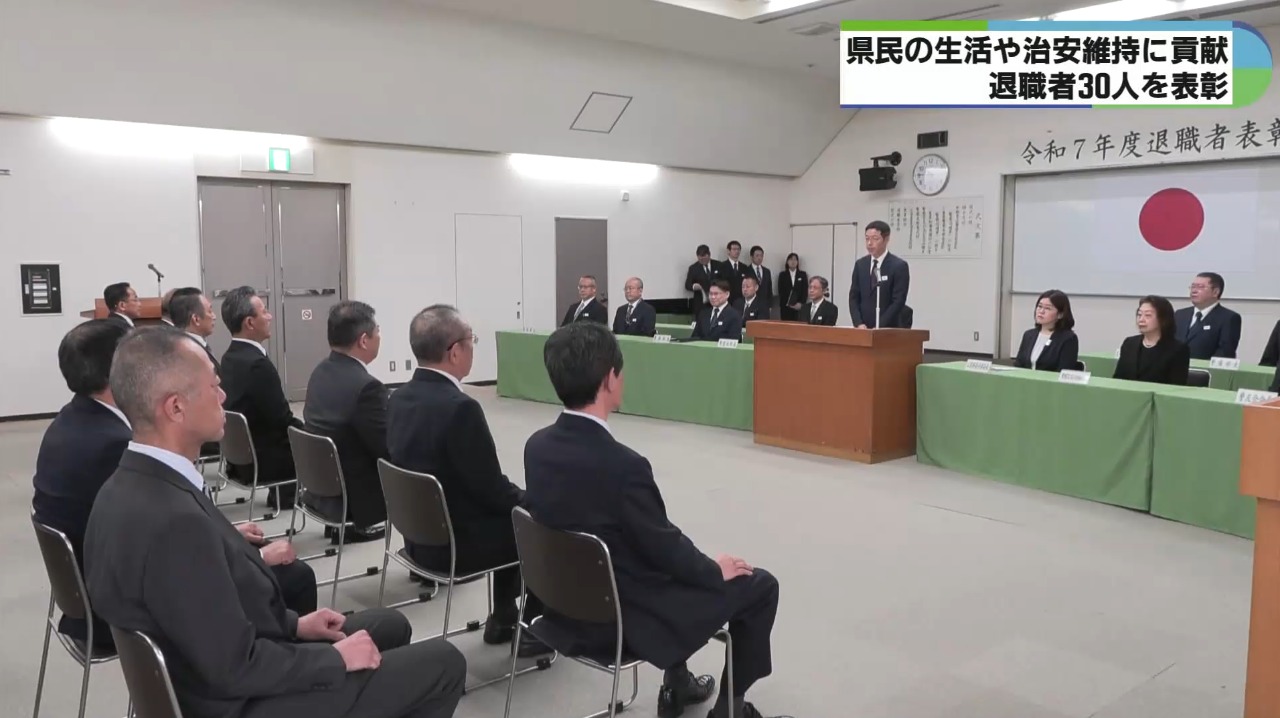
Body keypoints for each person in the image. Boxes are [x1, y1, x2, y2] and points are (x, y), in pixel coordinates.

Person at [84, 327, 465, 718]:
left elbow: (202, 617)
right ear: (176, 408)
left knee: (389, 625)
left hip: (213, 673)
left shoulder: (122, 487)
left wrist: (295, 625)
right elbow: (233, 667)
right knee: (443, 664)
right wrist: (333, 660)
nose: (223, 396)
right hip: (239, 702)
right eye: (213, 386)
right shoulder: (175, 524)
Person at [524, 322, 787, 718]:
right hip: (620, 619)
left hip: (563, 603)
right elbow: (665, 548)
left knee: (648, 560)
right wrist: (713, 569)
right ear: (610, 379)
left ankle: (678, 682)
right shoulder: (623, 466)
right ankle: (729, 710)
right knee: (759, 584)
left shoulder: (536, 447)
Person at [386, 305, 547, 655]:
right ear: (455, 352)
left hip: (417, 535)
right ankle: (533, 627)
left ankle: (504, 615)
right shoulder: (460, 408)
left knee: (510, 515)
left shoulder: (397, 398)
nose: (474, 347)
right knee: (532, 521)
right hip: (455, 544)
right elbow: (492, 489)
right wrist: (534, 502)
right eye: (472, 340)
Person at [31, 319, 131, 652]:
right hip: (111, 616)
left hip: (78, 598)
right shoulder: (114, 444)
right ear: (120, 370)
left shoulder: (67, 420)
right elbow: (151, 539)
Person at [302, 301, 390, 542]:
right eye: (378, 331)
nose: (380, 336)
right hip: (354, 495)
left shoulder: (320, 371)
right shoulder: (367, 387)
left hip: (320, 486)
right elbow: (386, 447)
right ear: (363, 341)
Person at [220, 285, 301, 508]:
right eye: (264, 311)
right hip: (262, 460)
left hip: (238, 457)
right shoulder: (257, 365)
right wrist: (313, 432)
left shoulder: (229, 357)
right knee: (322, 441)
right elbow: (282, 419)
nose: (270, 316)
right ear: (250, 322)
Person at [170, 288, 222, 459]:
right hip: (203, 435)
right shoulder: (192, 354)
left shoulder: (176, 345)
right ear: (196, 319)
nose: (214, 316)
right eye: (210, 311)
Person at [1114, 295, 1191, 386]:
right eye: (1139, 315)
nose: (1141, 320)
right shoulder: (1129, 343)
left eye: (1148, 315)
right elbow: (1118, 379)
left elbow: (1176, 386)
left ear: (1163, 319)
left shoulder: (1178, 349)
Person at [848, 221, 910, 329]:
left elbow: (898, 301)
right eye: (867, 238)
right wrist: (858, 323)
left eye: (875, 239)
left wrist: (879, 325)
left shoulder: (898, 266)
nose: (869, 243)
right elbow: (854, 297)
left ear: (886, 239)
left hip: (887, 328)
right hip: (863, 328)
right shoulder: (860, 264)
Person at [1174, 272, 1242, 359]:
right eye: (1193, 287)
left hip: (1204, 367)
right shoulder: (1180, 314)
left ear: (1215, 292)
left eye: (1200, 287)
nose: (1194, 291)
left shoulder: (1229, 318)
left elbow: (1225, 352)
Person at [1014, 289, 1080, 372]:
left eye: (1048, 308)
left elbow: (1064, 371)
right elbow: (1018, 365)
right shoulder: (1029, 335)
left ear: (1060, 314)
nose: (1041, 311)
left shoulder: (1068, 339)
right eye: (1039, 306)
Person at [685, 245, 723, 313]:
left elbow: (725, 282)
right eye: (700, 259)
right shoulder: (693, 268)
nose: (702, 260)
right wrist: (694, 286)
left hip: (718, 301)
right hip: (701, 303)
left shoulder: (719, 265)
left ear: (709, 255)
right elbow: (687, 285)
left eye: (704, 258)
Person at [777, 253, 807, 322]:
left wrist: (801, 303)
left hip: (799, 307)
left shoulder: (802, 274)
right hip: (786, 307)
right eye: (791, 259)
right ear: (787, 262)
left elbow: (805, 290)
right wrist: (789, 304)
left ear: (797, 262)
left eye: (795, 259)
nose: (793, 261)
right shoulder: (782, 275)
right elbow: (781, 291)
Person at [746, 246, 772, 312]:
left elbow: (769, 289)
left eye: (761, 256)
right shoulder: (746, 270)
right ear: (751, 257)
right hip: (751, 304)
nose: (759, 258)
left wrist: (770, 305)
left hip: (765, 304)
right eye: (757, 255)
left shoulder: (767, 271)